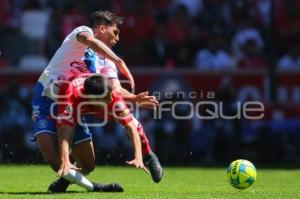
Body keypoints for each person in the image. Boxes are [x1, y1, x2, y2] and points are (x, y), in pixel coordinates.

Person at [31, 10, 162, 193]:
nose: (117, 39)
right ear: (101, 28)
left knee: (88, 165)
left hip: (78, 102)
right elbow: (91, 42)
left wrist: (133, 98)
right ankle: (94, 187)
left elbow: (115, 90)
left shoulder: (105, 62)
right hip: (47, 100)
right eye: (115, 32)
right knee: (58, 162)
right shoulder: (82, 34)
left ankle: (147, 155)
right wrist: (119, 61)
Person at [55, 74, 159, 186]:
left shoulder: (113, 97)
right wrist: (64, 159)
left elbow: (131, 128)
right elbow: (64, 132)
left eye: (110, 95)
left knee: (88, 166)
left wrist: (138, 156)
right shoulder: (71, 97)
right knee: (58, 154)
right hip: (60, 102)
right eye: (106, 98)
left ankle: (66, 179)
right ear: (91, 97)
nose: (110, 100)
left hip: (90, 100)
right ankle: (67, 171)